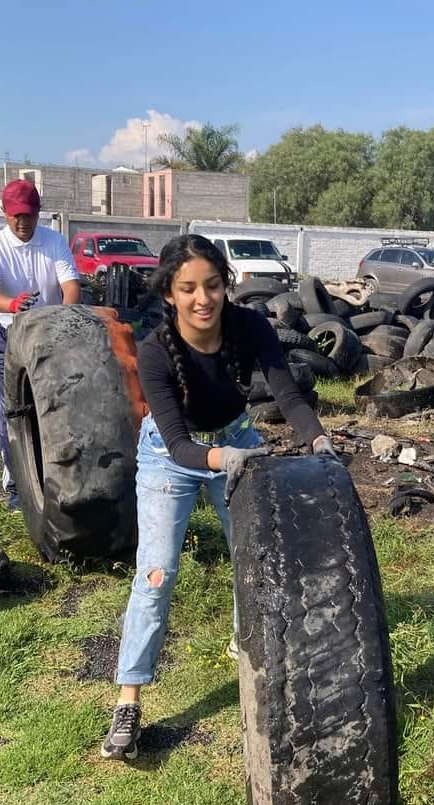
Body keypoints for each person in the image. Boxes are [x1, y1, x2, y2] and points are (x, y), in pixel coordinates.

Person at [100, 234, 337, 761]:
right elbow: (179, 445)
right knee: (156, 574)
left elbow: (288, 394)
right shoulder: (155, 352)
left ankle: (248, 643)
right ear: (169, 293)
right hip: (171, 456)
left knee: (255, 558)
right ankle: (128, 700)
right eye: (188, 288)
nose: (202, 298)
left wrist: (318, 440)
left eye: (212, 285)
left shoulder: (249, 326)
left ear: (225, 284)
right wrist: (222, 458)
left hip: (237, 442)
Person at [0, 179, 80, 507]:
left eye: (29, 215)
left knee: (54, 406)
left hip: (49, 336)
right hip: (7, 335)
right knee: (13, 411)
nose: (23, 222)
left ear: (38, 213)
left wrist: (62, 320)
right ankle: (17, 485)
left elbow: (70, 286)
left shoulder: (54, 241)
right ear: (5, 214)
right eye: (16, 216)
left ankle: (56, 476)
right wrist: (12, 304)